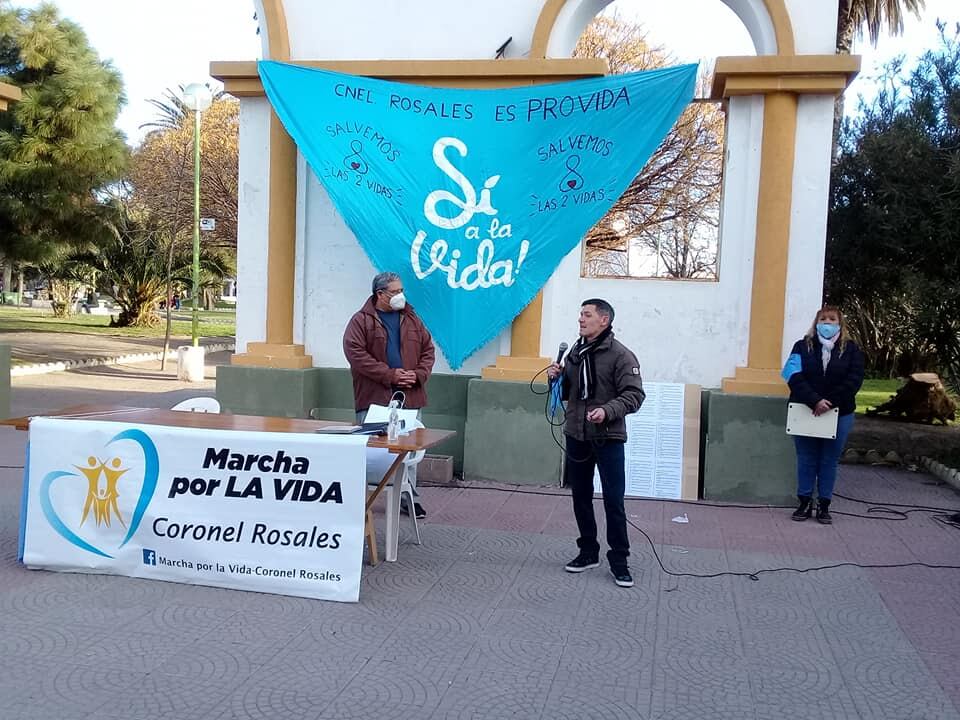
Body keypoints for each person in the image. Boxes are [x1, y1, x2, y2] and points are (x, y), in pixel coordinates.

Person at [547, 299, 645, 588]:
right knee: (580, 496)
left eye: (586, 315)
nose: (580, 319)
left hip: (608, 437)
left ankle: (620, 561)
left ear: (604, 320)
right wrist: (558, 378)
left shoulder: (621, 355)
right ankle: (588, 551)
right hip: (577, 434)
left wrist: (607, 411)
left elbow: (635, 395)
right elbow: (570, 392)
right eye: (580, 314)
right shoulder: (576, 352)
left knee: (613, 501)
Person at [343, 271, 435, 519]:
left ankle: (409, 498)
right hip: (375, 396)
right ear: (380, 294)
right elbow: (356, 355)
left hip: (410, 396)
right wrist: (391, 375)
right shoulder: (362, 320)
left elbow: (428, 349)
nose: (400, 296)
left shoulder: (412, 318)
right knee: (371, 449)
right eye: (395, 292)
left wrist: (418, 375)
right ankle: (362, 497)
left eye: (401, 290)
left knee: (409, 448)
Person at [783, 304, 865, 524]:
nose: (827, 324)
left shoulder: (851, 350)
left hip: (839, 412)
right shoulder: (801, 346)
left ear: (840, 324)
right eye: (823, 320)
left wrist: (829, 403)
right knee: (806, 458)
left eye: (832, 320)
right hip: (805, 409)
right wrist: (814, 400)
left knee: (829, 460)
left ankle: (824, 505)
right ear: (816, 323)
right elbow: (792, 374)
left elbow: (854, 379)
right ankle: (804, 502)